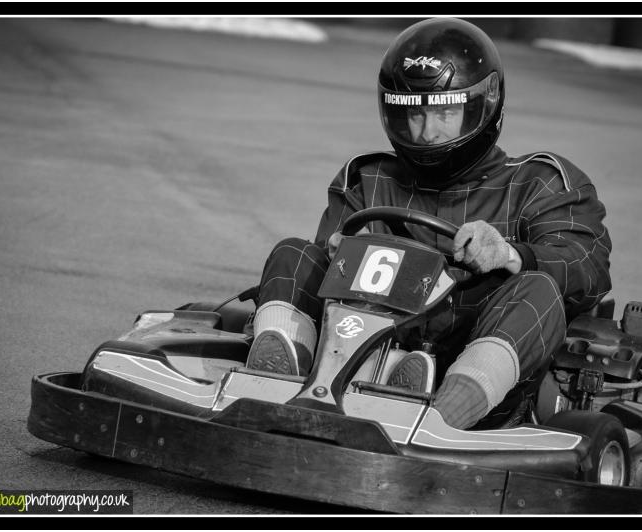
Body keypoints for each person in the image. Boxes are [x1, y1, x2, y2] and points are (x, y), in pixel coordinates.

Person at [245, 18, 612, 430]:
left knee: (539, 290)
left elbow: (586, 267)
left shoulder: (540, 182)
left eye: (444, 114)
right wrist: (340, 252)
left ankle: (445, 413)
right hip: (356, 344)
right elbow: (325, 269)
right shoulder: (367, 178)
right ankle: (273, 378)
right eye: (413, 116)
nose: (426, 133)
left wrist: (510, 254)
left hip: (471, 346)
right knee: (294, 253)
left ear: (483, 107)